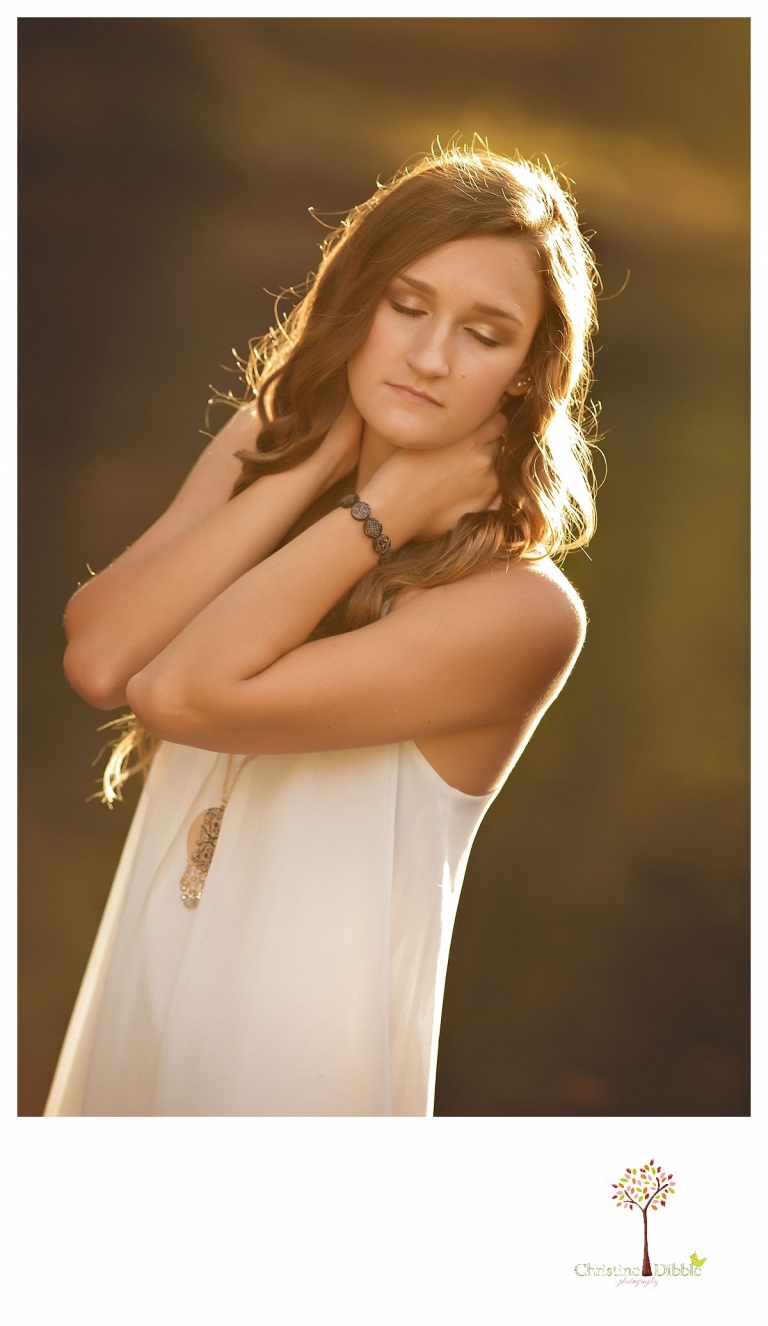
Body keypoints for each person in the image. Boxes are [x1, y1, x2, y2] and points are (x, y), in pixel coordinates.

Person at [44, 144, 600, 1117]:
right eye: (407, 306)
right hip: (142, 1019)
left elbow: (177, 694)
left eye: (484, 334)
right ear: (355, 303)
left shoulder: (522, 611)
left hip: (294, 1085)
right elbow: (100, 659)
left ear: (526, 374)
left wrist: (379, 511)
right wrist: (308, 463)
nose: (430, 358)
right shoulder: (268, 447)